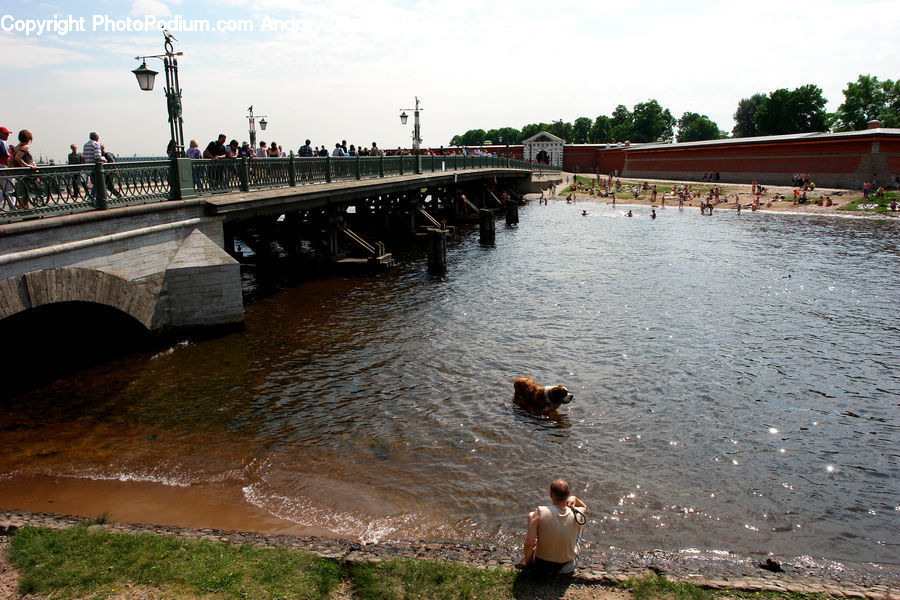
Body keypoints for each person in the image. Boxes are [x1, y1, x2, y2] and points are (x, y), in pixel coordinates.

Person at [521, 479, 586, 575]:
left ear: (551, 495)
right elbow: (584, 506)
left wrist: (527, 562)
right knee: (580, 522)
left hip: (541, 564)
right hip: (567, 566)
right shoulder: (576, 512)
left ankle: (542, 548)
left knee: (532, 516)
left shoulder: (540, 512)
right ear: (568, 493)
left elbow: (529, 543)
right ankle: (567, 549)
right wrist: (574, 499)